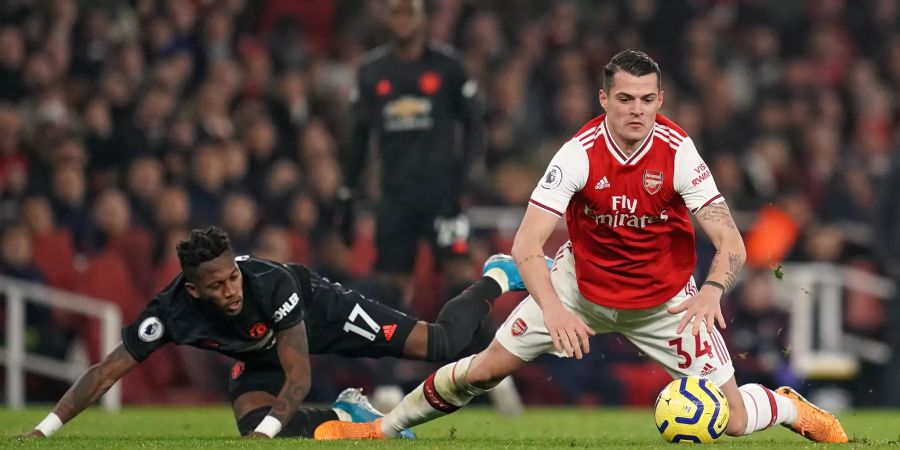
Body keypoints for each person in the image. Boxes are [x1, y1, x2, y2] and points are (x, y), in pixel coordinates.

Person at [313, 50, 849, 443]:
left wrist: (712, 291)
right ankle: (380, 429)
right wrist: (552, 306)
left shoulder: (679, 152)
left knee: (732, 421)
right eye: (624, 99)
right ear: (604, 99)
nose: (636, 110)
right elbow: (527, 243)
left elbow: (730, 240)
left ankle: (785, 407)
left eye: (646, 100)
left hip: (668, 304)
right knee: (484, 370)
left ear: (660, 100)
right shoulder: (578, 155)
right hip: (577, 290)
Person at [24, 226, 549, 439]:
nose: (231, 289)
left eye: (233, 276)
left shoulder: (267, 284)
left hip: (313, 313)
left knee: (441, 345)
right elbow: (105, 372)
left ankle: (495, 276)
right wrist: (44, 431)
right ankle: (353, 417)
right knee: (251, 416)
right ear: (192, 289)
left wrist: (263, 439)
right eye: (218, 284)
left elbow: (297, 377)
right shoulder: (170, 312)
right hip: (257, 346)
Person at [341, 0, 484, 299]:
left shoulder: (449, 66)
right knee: (390, 287)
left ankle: (471, 346)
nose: (403, 19)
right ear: (387, 18)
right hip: (395, 195)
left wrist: (468, 174)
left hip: (443, 193)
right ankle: (402, 346)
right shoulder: (371, 71)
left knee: (461, 279)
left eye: (410, 12)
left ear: (423, 18)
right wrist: (348, 192)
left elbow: (474, 123)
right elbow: (358, 137)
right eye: (396, 12)